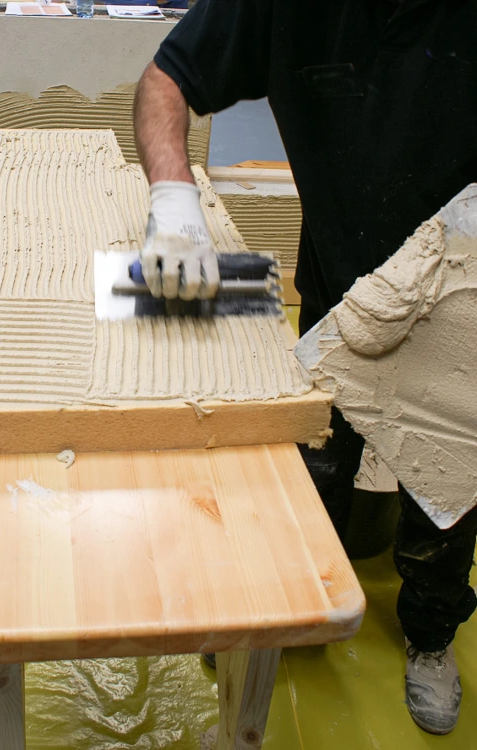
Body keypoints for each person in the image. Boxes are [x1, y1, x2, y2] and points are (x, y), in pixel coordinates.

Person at [133, 0, 477, 735]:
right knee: (315, 460)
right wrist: (173, 203)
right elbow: (166, 78)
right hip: (340, 282)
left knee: (442, 493)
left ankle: (431, 631)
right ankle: (288, 599)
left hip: (462, 282)